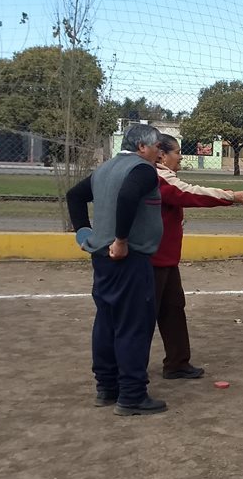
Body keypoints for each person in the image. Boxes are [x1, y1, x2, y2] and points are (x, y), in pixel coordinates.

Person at [66, 124, 167, 415]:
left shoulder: (105, 169)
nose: (159, 151)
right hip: (129, 258)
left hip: (102, 259)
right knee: (133, 325)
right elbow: (126, 197)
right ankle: (132, 395)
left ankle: (106, 386)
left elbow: (75, 194)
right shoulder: (142, 170)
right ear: (141, 147)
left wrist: (83, 232)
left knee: (107, 321)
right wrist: (121, 239)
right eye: (157, 145)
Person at [151, 134, 243, 380]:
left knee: (173, 308)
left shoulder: (163, 177)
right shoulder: (157, 178)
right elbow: (191, 194)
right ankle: (128, 373)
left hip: (165, 260)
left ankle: (176, 362)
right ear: (162, 155)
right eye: (177, 152)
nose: (181, 157)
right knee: (143, 317)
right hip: (151, 261)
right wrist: (232, 196)